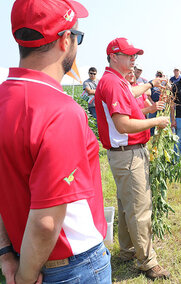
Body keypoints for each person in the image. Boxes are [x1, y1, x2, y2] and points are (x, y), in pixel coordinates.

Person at [0, 0, 112, 283]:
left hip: (21, 254)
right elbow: (47, 222)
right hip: (70, 266)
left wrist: (5, 254)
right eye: (78, 37)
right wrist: (25, 277)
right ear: (65, 40)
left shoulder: (4, 98)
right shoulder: (61, 111)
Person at [94, 37, 171, 280]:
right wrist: (155, 121)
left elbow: (130, 91)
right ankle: (147, 261)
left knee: (127, 205)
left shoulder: (114, 81)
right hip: (128, 156)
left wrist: (151, 85)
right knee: (139, 208)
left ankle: (128, 250)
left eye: (134, 55)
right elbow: (123, 124)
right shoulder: (114, 83)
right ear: (114, 57)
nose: (133, 58)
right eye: (129, 55)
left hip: (122, 156)